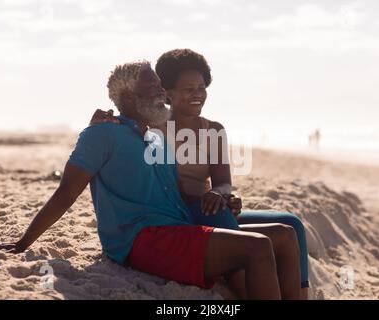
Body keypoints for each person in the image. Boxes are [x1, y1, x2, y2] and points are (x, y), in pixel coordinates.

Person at [0, 60, 300, 299]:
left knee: (284, 235)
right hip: (142, 238)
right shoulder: (102, 133)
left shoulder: (156, 138)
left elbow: (180, 191)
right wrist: (23, 242)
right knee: (257, 248)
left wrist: (223, 197)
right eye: (153, 88)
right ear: (128, 96)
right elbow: (65, 194)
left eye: (162, 87)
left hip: (179, 226)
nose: (163, 93)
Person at [90, 49, 309, 299]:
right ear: (167, 92)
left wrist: (221, 194)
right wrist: (100, 119)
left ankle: (302, 297)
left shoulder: (213, 130)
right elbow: (122, 122)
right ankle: (245, 280)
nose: (198, 94)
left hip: (208, 209)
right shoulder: (152, 127)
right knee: (239, 229)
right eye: (188, 89)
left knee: (291, 225)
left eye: (201, 87)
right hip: (178, 213)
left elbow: (223, 182)